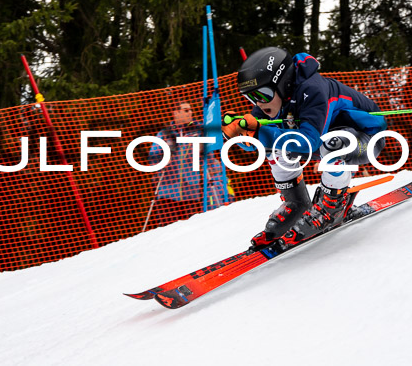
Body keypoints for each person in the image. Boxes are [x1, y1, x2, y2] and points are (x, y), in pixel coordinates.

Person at [222, 47, 387, 250]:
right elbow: (258, 143)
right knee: (274, 147)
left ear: (282, 84)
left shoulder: (314, 89)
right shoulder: (270, 101)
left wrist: (260, 133)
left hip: (367, 139)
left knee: (332, 144)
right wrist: (238, 134)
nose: (258, 102)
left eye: (263, 94)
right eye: (251, 97)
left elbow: (309, 143)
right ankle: (297, 205)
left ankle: (332, 208)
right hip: (326, 139)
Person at [147, 100, 227, 228]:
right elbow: (153, 159)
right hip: (167, 193)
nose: (190, 112)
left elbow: (211, 157)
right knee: (168, 232)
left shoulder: (199, 131)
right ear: (176, 113)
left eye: (190, 110)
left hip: (192, 192)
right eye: (186, 110)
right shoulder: (164, 134)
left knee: (192, 230)